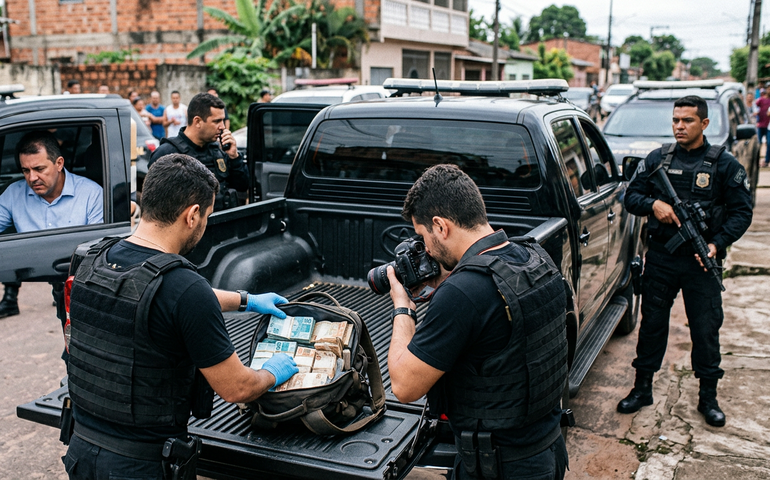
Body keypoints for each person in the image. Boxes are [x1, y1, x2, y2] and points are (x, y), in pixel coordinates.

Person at [62, 153, 297, 479]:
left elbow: (159, 298)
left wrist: (246, 300)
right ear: (192, 215)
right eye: (207, 216)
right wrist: (272, 372)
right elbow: (237, 388)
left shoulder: (94, 260)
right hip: (140, 467)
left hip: (81, 450)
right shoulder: (185, 287)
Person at [386, 164, 569, 480]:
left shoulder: (464, 293)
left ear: (441, 226)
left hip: (499, 468)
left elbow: (404, 386)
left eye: (423, 236)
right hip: (547, 452)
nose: (426, 249)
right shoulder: (534, 256)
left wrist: (403, 307)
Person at [618, 95, 753, 427]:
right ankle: (642, 388)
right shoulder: (657, 159)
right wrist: (654, 206)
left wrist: (716, 244)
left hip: (700, 261)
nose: (679, 126)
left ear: (704, 124)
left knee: (706, 331)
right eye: (676, 120)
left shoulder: (724, 164)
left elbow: (742, 212)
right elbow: (630, 195)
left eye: (687, 120)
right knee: (651, 326)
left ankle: (708, 397)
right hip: (662, 259)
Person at [0, 131, 103, 319]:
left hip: (86, 288)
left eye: (39, 169)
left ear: (59, 164)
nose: (32, 178)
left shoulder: (91, 194)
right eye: (26, 170)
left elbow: (100, 251)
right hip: (52, 285)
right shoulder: (13, 195)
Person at [150, 92, 248, 211]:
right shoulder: (167, 153)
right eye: (217, 121)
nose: (222, 126)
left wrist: (234, 157)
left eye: (223, 120)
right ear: (197, 121)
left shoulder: (217, 152)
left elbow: (242, 186)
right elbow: (155, 207)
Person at [755, 88, 770, 167]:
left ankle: (766, 161)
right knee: (758, 143)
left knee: (769, 144)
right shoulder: (760, 100)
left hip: (768, 126)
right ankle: (756, 161)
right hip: (761, 125)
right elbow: (755, 108)